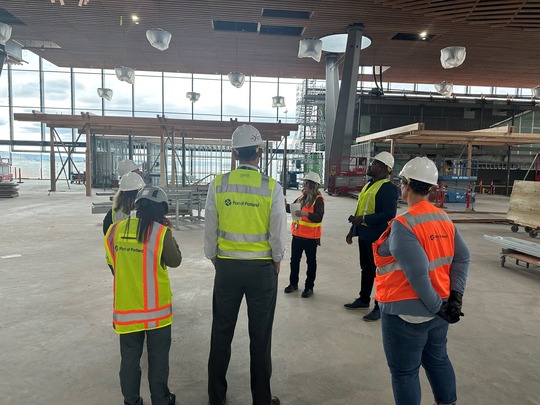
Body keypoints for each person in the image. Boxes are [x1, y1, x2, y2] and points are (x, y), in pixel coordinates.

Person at [373, 156, 470, 405]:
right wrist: (454, 299)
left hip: (407, 314)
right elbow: (463, 258)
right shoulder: (443, 218)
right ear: (431, 187)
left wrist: (439, 307)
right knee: (438, 361)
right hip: (440, 309)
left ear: (405, 184)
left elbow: (418, 274)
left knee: (405, 372)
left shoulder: (404, 224)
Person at [204, 124, 286, 405]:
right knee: (261, 338)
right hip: (261, 271)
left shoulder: (219, 184)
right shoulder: (272, 187)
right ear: (259, 153)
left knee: (221, 334)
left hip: (227, 268)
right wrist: (276, 261)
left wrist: (214, 257)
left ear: (235, 153)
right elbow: (278, 231)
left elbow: (210, 228)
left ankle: (216, 397)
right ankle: (261, 400)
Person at [104, 186, 182, 405]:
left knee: (129, 360)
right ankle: (161, 399)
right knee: (158, 360)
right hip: (156, 313)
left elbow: (112, 262)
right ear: (161, 211)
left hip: (127, 311)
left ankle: (132, 400)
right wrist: (169, 232)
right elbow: (175, 261)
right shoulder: (160, 233)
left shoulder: (115, 230)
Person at [344, 151, 398, 322]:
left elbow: (389, 213)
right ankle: (364, 299)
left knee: (379, 273)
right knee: (366, 269)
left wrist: (364, 220)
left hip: (378, 237)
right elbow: (361, 209)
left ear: (382, 168)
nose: (370, 166)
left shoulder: (388, 188)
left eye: (374, 163)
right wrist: (353, 230)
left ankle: (379, 307)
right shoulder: (369, 185)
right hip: (365, 235)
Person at [283, 171, 324, 298]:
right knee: (294, 261)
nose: (303, 186)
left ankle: (309, 287)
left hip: (310, 238)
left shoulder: (318, 200)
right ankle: (293, 283)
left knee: (311, 263)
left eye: (306, 184)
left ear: (312, 185)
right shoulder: (301, 198)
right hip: (297, 236)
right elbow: (292, 209)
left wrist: (306, 214)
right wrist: (285, 205)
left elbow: (318, 217)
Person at [102, 171, 146, 235]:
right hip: (139, 244)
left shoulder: (114, 211)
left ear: (121, 192)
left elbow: (106, 232)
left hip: (118, 244)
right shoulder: (145, 211)